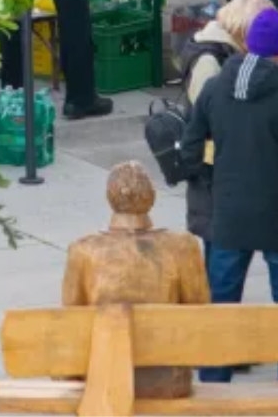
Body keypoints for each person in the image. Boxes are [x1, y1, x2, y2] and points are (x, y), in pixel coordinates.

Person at [179, 9, 278, 383]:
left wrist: (216, 179)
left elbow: (190, 149)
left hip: (230, 214)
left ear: (246, 43)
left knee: (223, 306)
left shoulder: (215, 87)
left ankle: (214, 386)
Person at [62, 163, 208, 400]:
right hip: (168, 380)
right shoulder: (183, 246)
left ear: (109, 198)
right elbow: (200, 311)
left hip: (103, 378)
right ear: (152, 197)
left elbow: (71, 319)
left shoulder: (83, 250)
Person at [175, 0, 274, 253]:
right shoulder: (210, 60)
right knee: (219, 256)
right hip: (212, 172)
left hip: (218, 172)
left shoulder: (220, 49)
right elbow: (210, 118)